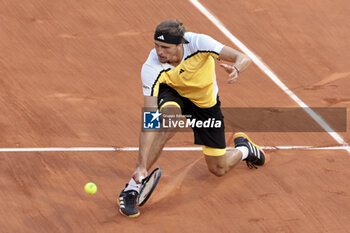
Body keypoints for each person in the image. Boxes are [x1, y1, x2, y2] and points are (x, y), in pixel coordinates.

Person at [117, 20, 266, 217]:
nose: (159, 51)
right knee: (170, 122)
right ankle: (133, 188)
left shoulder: (199, 43)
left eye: (165, 47)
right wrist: (140, 166)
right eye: (156, 45)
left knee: (219, 168)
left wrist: (237, 68)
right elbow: (150, 119)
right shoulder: (152, 67)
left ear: (180, 44)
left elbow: (243, 57)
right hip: (172, 92)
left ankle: (244, 149)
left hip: (205, 104)